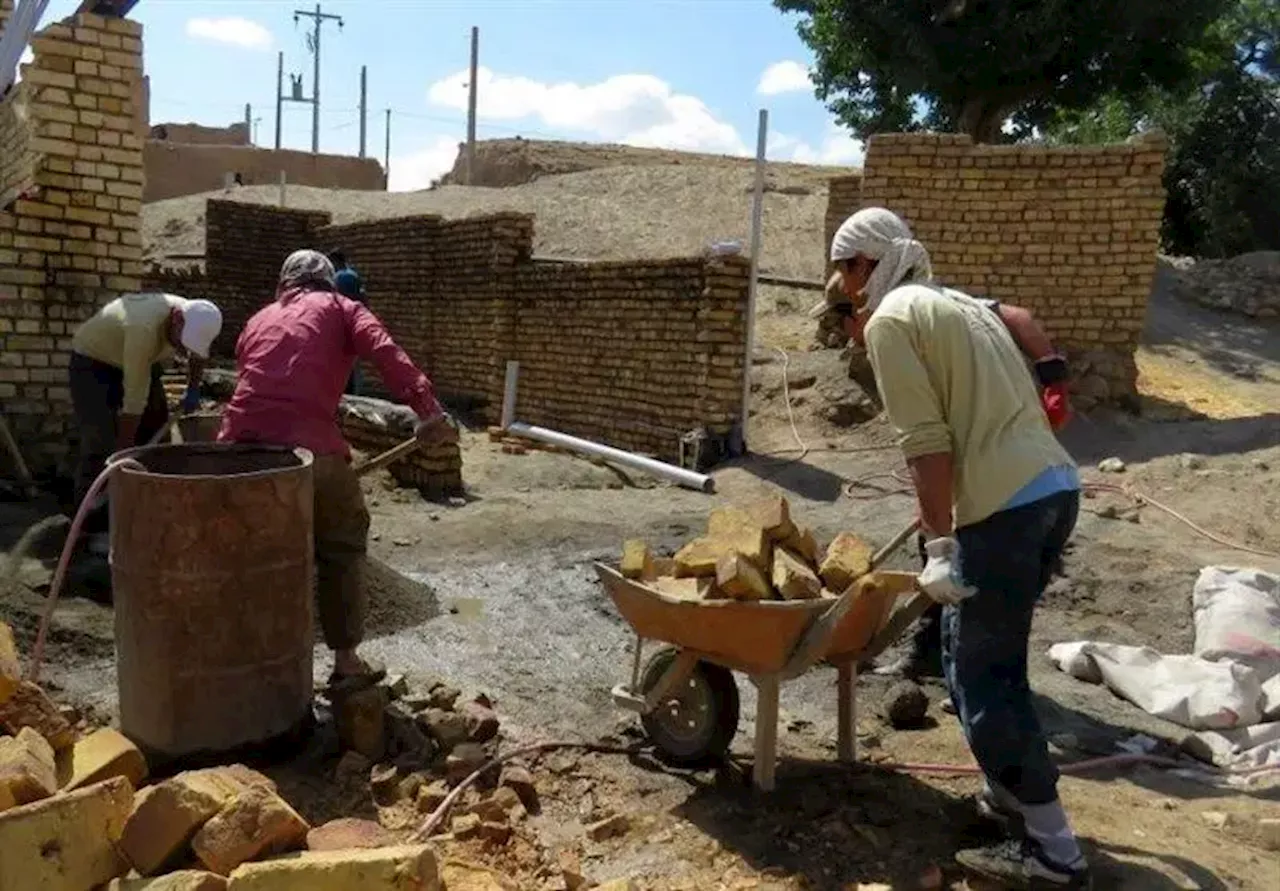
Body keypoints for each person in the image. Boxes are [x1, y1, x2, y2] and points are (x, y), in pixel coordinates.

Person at [830, 207, 1089, 889]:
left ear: (870, 262)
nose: (847, 290)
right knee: (970, 655)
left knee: (983, 675)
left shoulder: (893, 321)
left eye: (849, 272)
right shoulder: (959, 303)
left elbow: (926, 442)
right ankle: (1011, 799)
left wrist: (939, 544)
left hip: (1004, 507)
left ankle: (1054, 852)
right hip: (1054, 489)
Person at [217, 249, 458, 693]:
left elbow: (250, 381)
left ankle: (242, 662)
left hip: (237, 454)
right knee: (342, 542)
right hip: (311, 449)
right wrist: (429, 410)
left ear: (284, 283)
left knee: (248, 557)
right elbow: (387, 353)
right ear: (329, 282)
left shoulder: (258, 319)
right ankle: (346, 661)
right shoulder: (345, 309)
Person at [69, 292, 223, 540]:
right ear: (176, 319)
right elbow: (134, 399)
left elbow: (198, 354)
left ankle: (148, 509)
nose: (183, 349)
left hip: (139, 358)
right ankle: (88, 525)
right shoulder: (142, 327)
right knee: (103, 441)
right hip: (93, 362)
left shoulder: (197, 317)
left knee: (157, 438)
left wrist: (193, 389)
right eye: (182, 342)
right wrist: (123, 454)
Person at [329, 249, 367, 396]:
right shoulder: (354, 276)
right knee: (354, 361)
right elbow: (363, 297)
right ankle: (356, 393)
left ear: (335, 261)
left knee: (341, 359)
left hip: (342, 323)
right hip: (356, 320)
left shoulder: (338, 277)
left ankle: (344, 393)